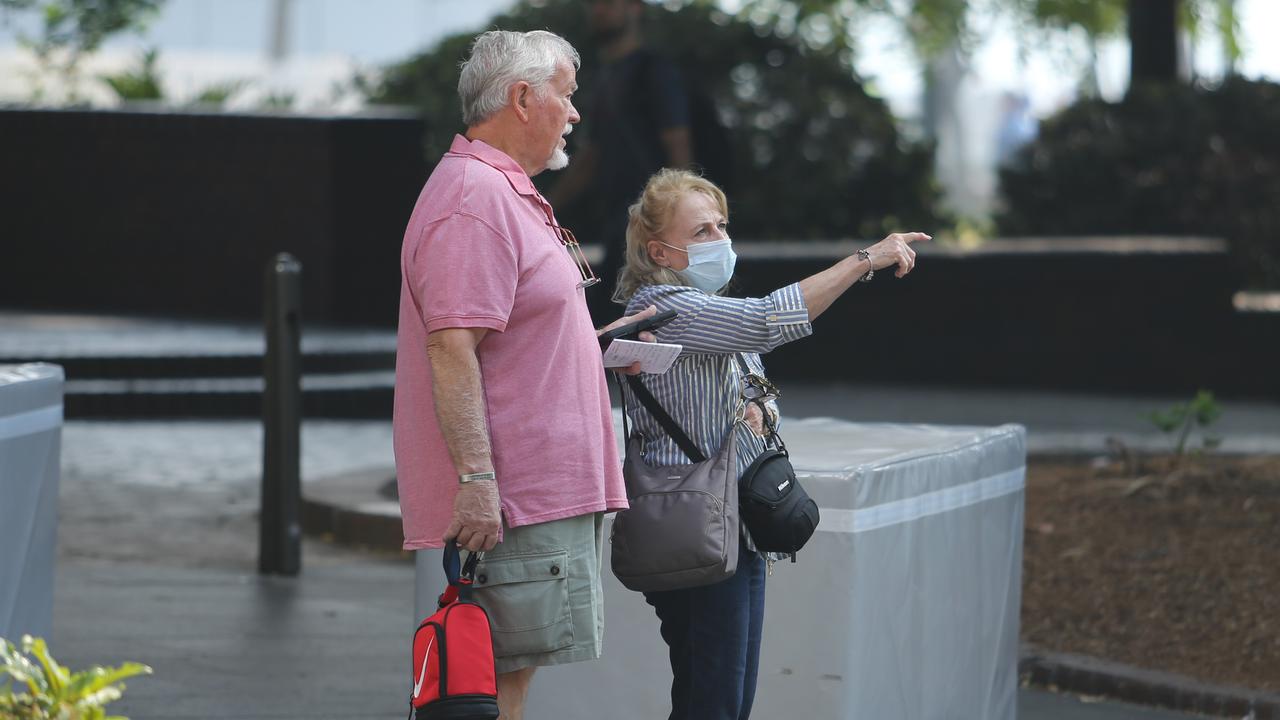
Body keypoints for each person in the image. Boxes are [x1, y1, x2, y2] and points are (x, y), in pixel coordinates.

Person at [392, 29, 654, 720]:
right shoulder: (474, 199)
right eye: (565, 97)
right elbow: (451, 347)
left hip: (533, 496)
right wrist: (477, 483)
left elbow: (505, 330)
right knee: (492, 693)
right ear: (521, 97)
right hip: (514, 502)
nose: (574, 114)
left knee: (504, 687)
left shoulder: (497, 188)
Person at [614, 168, 929, 719]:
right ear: (660, 251)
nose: (721, 241)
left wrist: (758, 409)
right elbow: (767, 321)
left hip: (731, 524)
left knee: (720, 697)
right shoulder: (672, 310)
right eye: (703, 232)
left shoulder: (701, 309)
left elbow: (760, 390)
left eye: (722, 226)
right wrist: (864, 262)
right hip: (697, 526)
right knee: (713, 701)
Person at [549, 0, 692, 299]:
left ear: (635, 8)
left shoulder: (654, 71)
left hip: (653, 225)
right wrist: (544, 208)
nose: (599, 10)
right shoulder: (604, 76)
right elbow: (591, 156)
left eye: (610, 4)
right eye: (595, 5)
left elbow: (678, 143)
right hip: (619, 224)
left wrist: (684, 218)